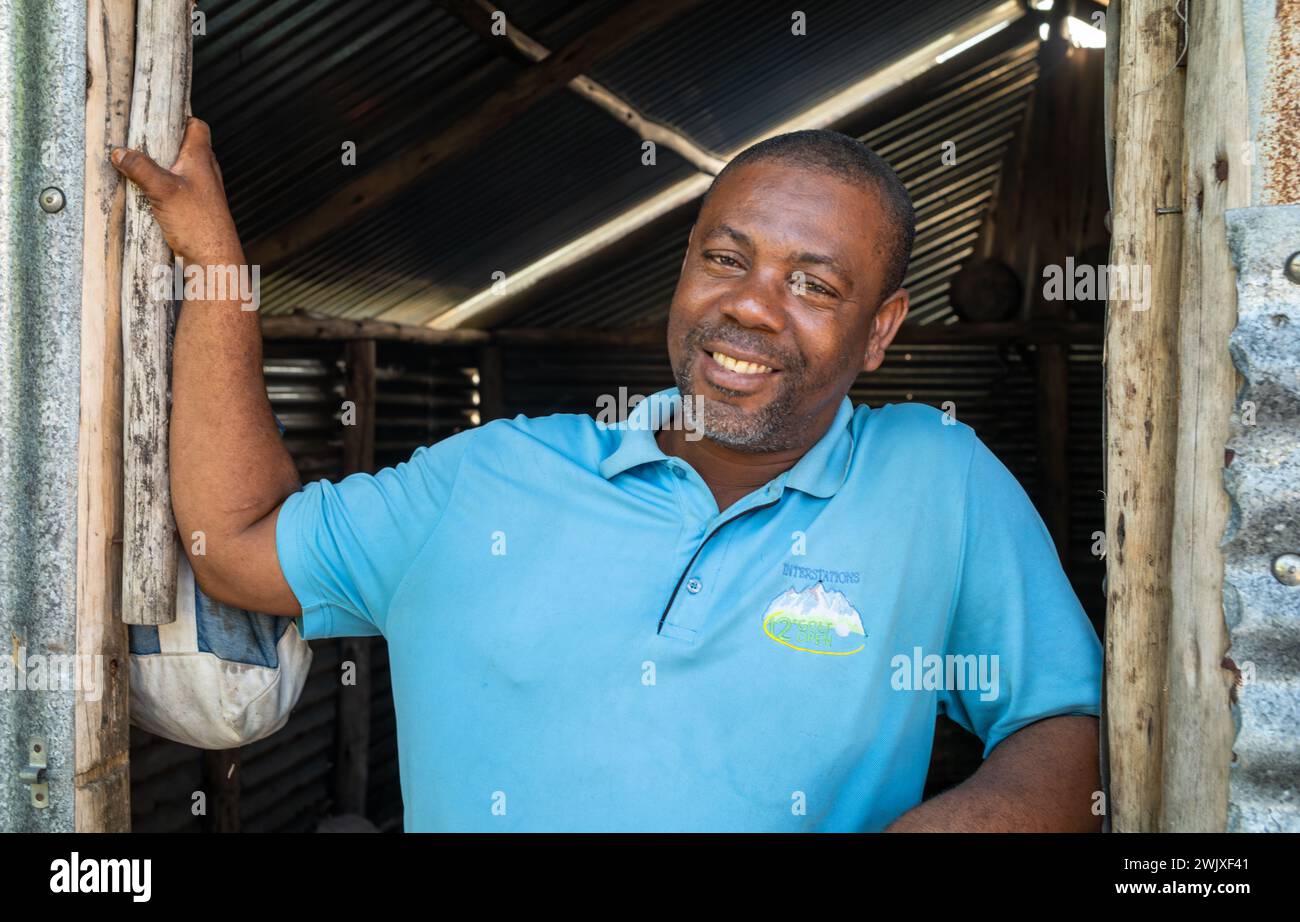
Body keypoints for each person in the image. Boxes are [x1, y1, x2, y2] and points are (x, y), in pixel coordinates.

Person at [111, 120, 1103, 832]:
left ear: (881, 329)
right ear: (681, 272)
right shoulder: (490, 477)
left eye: (812, 283)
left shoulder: (932, 479)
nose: (753, 308)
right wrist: (215, 265)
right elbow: (235, 544)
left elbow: (1060, 721)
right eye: (727, 259)